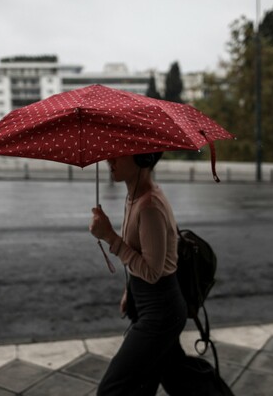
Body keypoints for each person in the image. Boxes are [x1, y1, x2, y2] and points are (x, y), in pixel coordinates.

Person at [89, 152, 188, 395]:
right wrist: (130, 290)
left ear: (143, 158)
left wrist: (109, 236)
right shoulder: (134, 196)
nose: (108, 161)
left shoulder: (149, 206)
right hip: (149, 306)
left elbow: (152, 272)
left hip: (161, 313)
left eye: (117, 156)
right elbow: (139, 252)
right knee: (143, 387)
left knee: (112, 389)